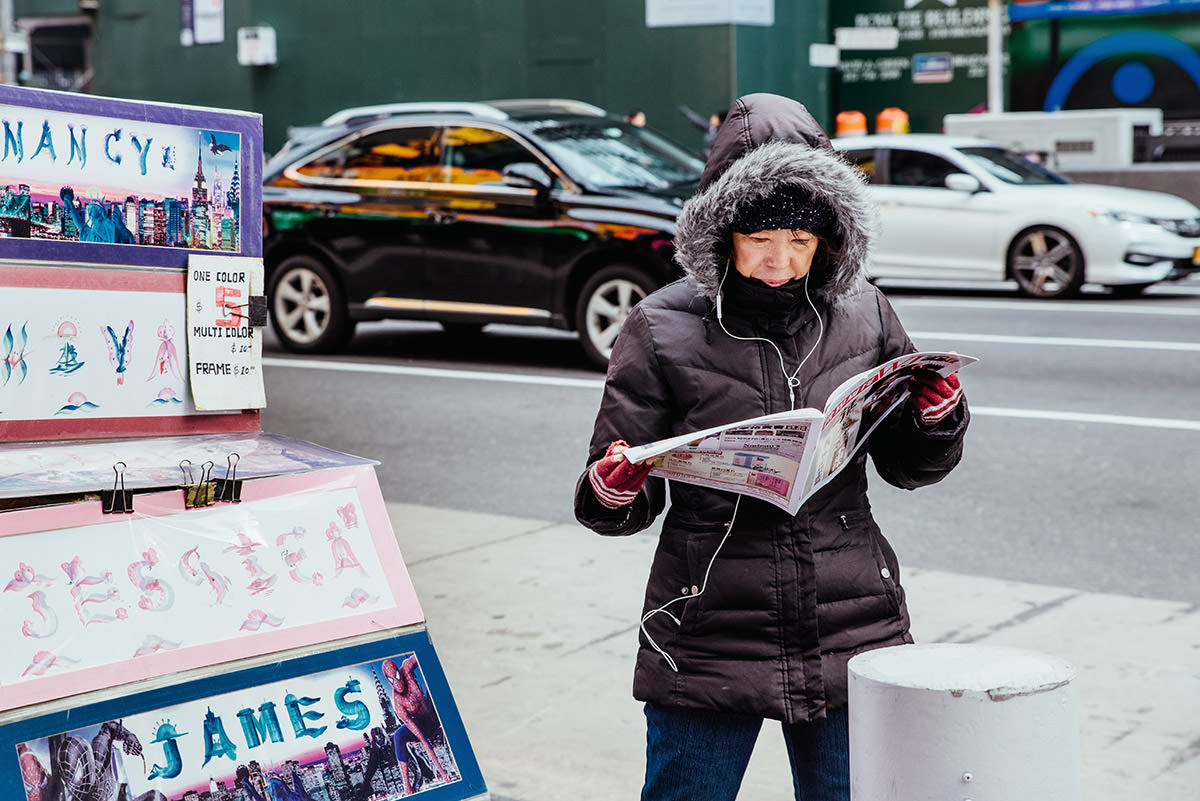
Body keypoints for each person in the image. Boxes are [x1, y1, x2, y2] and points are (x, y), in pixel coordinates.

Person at [573, 93, 969, 801]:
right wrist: (614, 487)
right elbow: (612, 504)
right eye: (760, 241)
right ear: (722, 233)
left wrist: (938, 420)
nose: (781, 262)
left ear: (830, 238)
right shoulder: (661, 326)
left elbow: (909, 467)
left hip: (849, 617)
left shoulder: (866, 310)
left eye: (801, 241)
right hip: (706, 622)